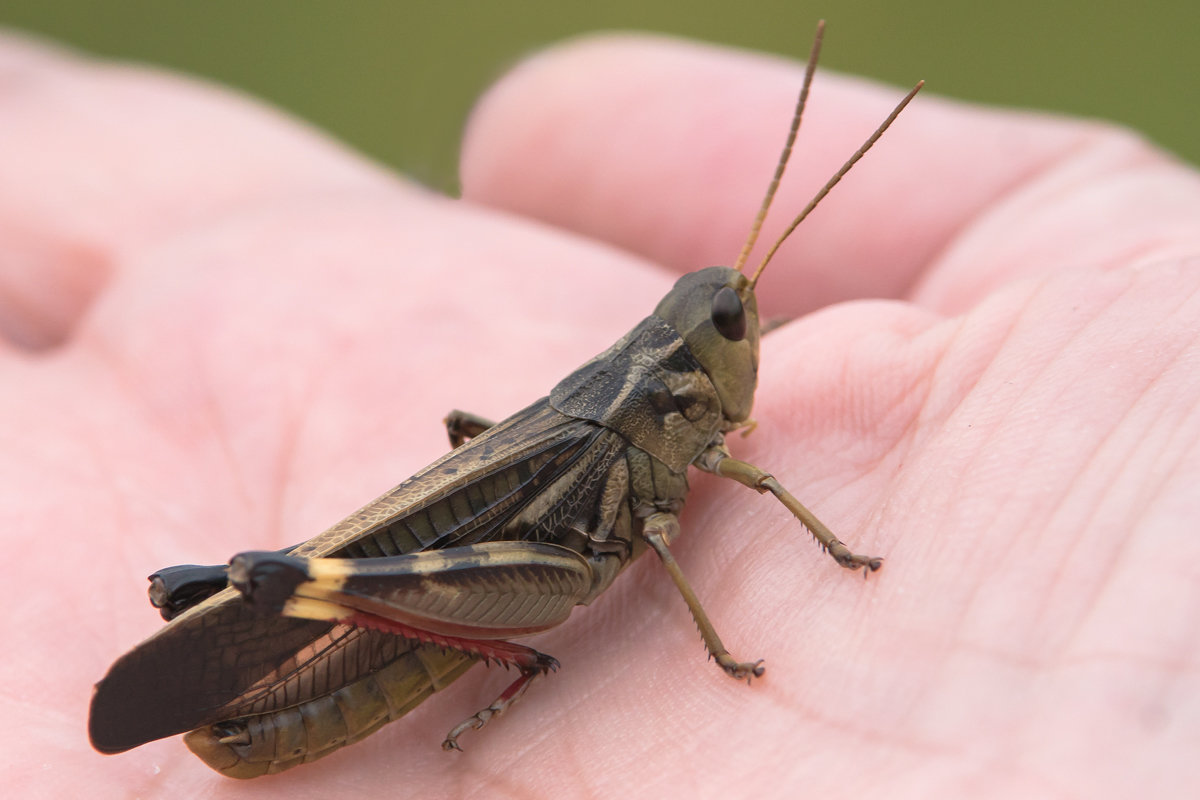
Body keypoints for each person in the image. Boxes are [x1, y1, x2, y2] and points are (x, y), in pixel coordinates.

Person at [3, 28, 1196, 798]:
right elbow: (669, 527)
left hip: (480, 555)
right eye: (736, 334)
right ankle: (280, 603)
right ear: (686, 361)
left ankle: (285, 591)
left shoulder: (669, 403)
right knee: (542, 546)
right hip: (394, 640)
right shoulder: (660, 444)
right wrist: (743, 631)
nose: (748, 348)